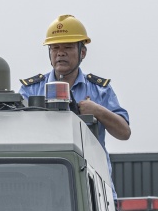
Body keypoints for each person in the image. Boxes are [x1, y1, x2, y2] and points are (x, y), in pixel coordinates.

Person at [19, 15, 131, 150]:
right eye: (55, 48)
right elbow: (15, 131)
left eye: (68, 47)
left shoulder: (100, 90)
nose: (60, 53)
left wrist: (97, 111)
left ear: (82, 53)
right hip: (47, 168)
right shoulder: (31, 90)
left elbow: (124, 133)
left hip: (90, 169)